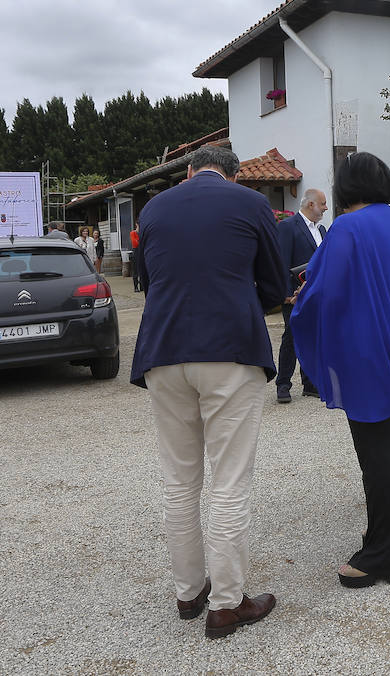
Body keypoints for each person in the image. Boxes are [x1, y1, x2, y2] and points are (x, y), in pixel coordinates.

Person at [131, 146, 288, 638]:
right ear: (233, 173)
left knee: (179, 481)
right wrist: (245, 299)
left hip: (162, 350)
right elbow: (276, 282)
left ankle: (188, 592)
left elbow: (145, 280)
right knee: (229, 480)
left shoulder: (154, 208)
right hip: (229, 350)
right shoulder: (249, 203)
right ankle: (226, 604)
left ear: (191, 171)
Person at [291, 152, 390, 588]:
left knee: (375, 449)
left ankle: (381, 555)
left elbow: (323, 288)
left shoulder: (348, 227)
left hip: (371, 347)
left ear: (345, 188)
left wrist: (297, 304)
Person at [273, 189, 327, 403]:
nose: (325, 207)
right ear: (310, 204)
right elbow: (281, 261)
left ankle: (310, 383)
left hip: (316, 294)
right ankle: (283, 384)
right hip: (295, 295)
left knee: (313, 337)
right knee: (291, 336)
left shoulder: (322, 230)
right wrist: (286, 294)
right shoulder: (288, 226)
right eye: (322, 203)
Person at [130, 223, 142, 291]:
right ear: (136, 224)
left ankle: (142, 286)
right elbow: (135, 243)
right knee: (135, 270)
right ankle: (136, 287)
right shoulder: (133, 233)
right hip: (136, 252)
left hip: (141, 251)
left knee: (142, 269)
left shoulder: (142, 233)